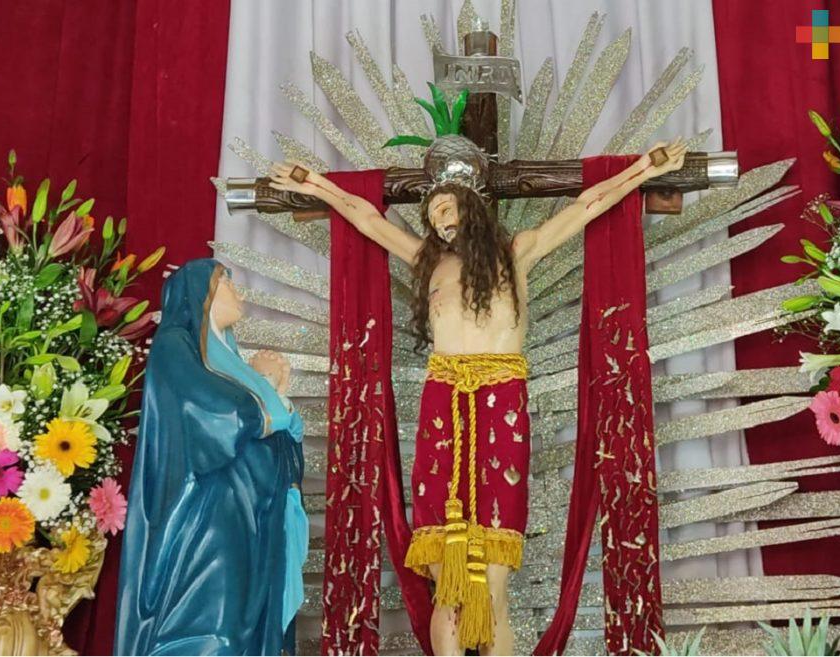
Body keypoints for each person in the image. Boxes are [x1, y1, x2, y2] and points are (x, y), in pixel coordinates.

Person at [268, 138, 686, 655]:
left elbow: (587, 205)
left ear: (472, 207)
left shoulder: (517, 253)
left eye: (446, 206)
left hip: (500, 405)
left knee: (490, 586)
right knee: (446, 586)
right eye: (432, 213)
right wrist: (316, 185)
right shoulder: (427, 261)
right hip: (442, 407)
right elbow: (367, 220)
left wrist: (644, 168)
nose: (439, 218)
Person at [114, 258, 308, 656]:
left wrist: (273, 392)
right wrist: (267, 400)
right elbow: (212, 409)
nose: (238, 292)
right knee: (215, 625)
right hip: (208, 513)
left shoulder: (229, 360)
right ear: (201, 292)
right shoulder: (176, 345)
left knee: (237, 626)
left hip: (250, 513)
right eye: (228, 283)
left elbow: (281, 434)